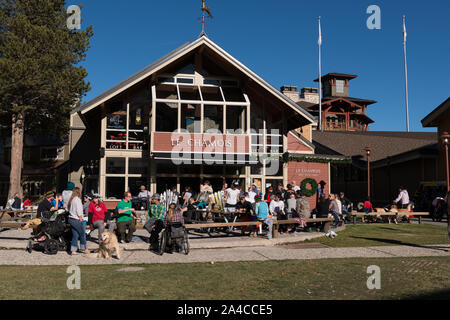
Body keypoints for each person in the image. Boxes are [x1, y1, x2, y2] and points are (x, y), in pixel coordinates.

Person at [68, 187, 90, 255]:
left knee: (75, 235)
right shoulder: (77, 200)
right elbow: (79, 210)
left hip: (71, 219)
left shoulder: (71, 200)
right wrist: (81, 218)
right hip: (76, 219)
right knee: (82, 234)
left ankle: (73, 250)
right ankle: (85, 249)